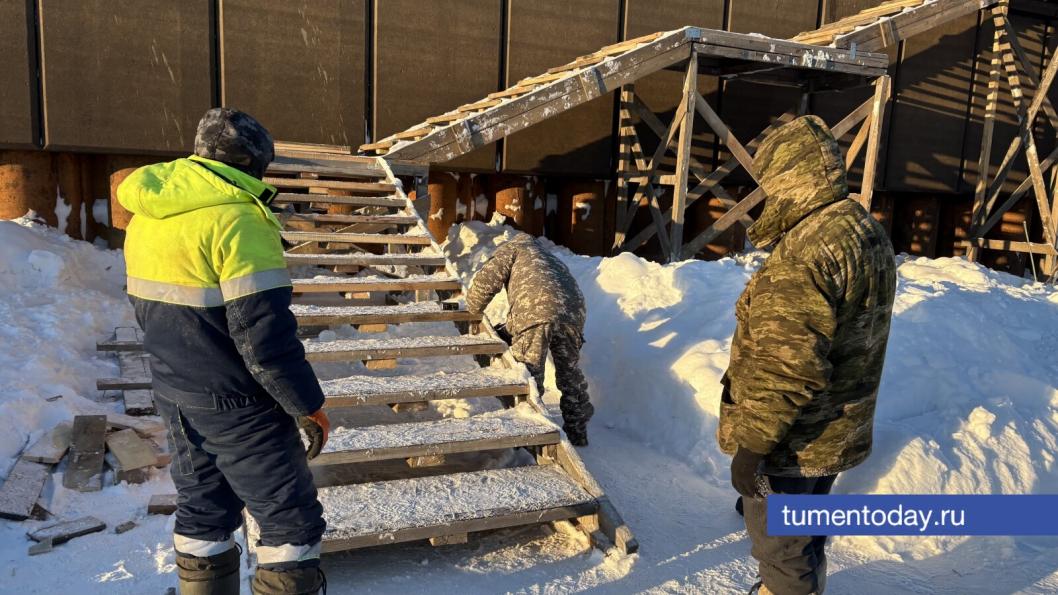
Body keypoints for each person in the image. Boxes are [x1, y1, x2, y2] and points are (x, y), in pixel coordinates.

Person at [119, 107, 330, 595]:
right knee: (290, 526)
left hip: (175, 391)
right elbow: (263, 337)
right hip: (237, 401)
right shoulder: (239, 219)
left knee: (203, 512)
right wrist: (307, 406)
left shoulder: (149, 213)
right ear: (255, 164)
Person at [717, 115, 897, 595]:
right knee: (806, 532)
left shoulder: (805, 250)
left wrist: (752, 448)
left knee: (780, 546)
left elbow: (787, 366)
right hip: (836, 429)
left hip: (793, 441)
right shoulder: (862, 229)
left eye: (770, 180)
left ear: (789, 177)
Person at [466, 233, 593, 446]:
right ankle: (577, 429)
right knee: (568, 372)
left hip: (535, 312)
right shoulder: (550, 258)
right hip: (573, 314)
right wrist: (507, 330)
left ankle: (530, 432)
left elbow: (486, 281)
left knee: (530, 372)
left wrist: (472, 309)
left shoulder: (513, 249)